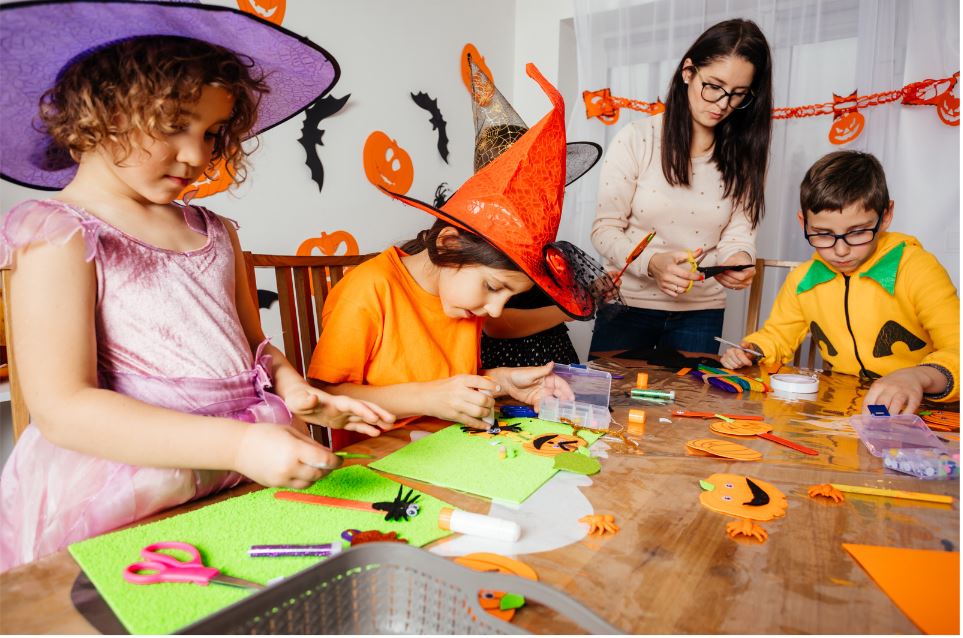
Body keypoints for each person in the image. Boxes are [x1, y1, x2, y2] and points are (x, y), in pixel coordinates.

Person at [0, 1, 394, 570]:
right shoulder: (59, 234)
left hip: (237, 469)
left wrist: (294, 389)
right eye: (173, 127)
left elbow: (254, 348)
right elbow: (64, 408)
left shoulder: (215, 231)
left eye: (211, 133)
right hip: (131, 488)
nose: (197, 155)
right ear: (97, 113)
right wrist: (237, 444)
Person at [308, 58, 615, 449]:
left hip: (455, 447)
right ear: (449, 243)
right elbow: (320, 397)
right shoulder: (369, 289)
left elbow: (452, 385)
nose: (496, 311)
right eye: (493, 286)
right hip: (381, 459)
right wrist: (427, 398)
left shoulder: (462, 300)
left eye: (508, 296)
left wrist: (503, 382)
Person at [720, 151, 959, 414]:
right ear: (804, 223)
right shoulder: (804, 280)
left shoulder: (916, 269)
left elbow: (957, 349)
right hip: (846, 411)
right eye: (823, 234)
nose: (841, 250)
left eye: (857, 232)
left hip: (921, 411)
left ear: (886, 215)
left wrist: (917, 377)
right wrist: (753, 350)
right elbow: (777, 335)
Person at [589, 18, 773, 355]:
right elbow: (605, 229)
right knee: (613, 405)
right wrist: (652, 264)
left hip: (700, 313)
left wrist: (739, 261)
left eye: (738, 95)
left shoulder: (744, 155)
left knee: (689, 404)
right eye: (714, 86)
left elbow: (739, 235)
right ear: (688, 72)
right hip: (626, 305)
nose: (722, 103)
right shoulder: (638, 139)